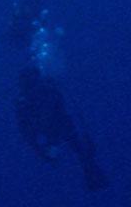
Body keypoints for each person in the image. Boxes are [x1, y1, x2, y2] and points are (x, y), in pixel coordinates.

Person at [14, 64, 109, 192]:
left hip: (59, 128)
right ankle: (92, 175)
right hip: (58, 128)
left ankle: (92, 176)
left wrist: (41, 149)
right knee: (80, 152)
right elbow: (26, 129)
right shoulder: (30, 98)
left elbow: (27, 130)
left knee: (81, 152)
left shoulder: (42, 92)